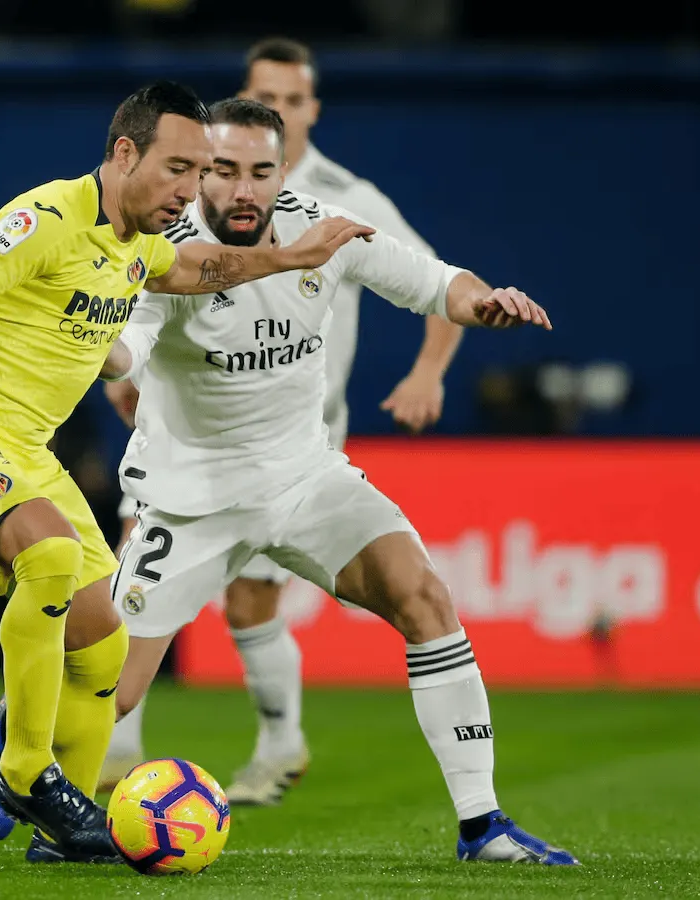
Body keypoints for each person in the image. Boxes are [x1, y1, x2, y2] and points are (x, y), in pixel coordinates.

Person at [0, 80, 373, 864]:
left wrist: (287, 256)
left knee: (102, 642)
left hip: (25, 454)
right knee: (49, 554)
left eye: (199, 173)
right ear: (124, 153)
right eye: (178, 168)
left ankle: (66, 828)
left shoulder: (140, 242)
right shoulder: (49, 219)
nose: (190, 189)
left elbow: (196, 267)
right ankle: (24, 769)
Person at [95, 98, 576, 864]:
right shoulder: (166, 256)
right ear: (201, 173)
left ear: (284, 171)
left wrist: (481, 303)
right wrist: (102, 350)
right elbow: (128, 347)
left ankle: (482, 825)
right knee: (109, 691)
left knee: (424, 597)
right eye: (225, 171)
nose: (243, 190)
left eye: (261, 171)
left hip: (304, 480)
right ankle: (25, 770)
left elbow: (437, 282)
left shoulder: (326, 230)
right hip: (189, 501)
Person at [101, 36, 466, 805]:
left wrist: (428, 371)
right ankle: (104, 754)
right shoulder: (184, 208)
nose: (284, 110)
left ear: (311, 110)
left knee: (254, 603)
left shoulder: (345, 200)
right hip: (188, 450)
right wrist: (121, 368)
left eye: (295, 99)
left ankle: (279, 744)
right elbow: (144, 309)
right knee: (128, 597)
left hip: (301, 447)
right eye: (268, 97)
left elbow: (436, 282)